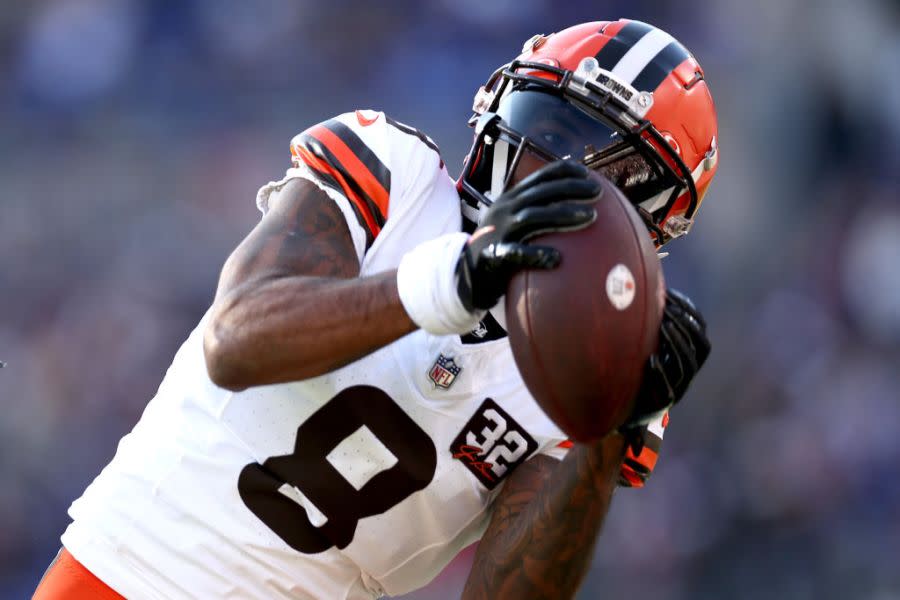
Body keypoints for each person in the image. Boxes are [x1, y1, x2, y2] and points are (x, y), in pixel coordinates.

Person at [34, 19, 717, 600]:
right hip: (136, 570)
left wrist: (606, 427)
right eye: (545, 129)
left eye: (597, 169)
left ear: (651, 219)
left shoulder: (603, 351)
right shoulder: (394, 174)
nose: (547, 168)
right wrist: (453, 280)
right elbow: (237, 342)